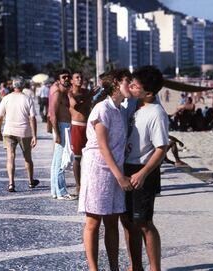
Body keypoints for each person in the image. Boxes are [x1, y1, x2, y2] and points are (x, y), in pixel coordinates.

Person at [78, 70, 133, 270]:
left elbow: (115, 142)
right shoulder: (102, 109)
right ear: (117, 83)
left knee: (112, 221)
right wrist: (121, 177)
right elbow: (102, 146)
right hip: (98, 170)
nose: (131, 84)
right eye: (128, 81)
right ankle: (94, 269)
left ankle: (114, 267)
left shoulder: (119, 109)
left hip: (114, 169)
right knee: (93, 221)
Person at [121, 66, 169, 271]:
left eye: (135, 85)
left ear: (148, 92)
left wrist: (143, 173)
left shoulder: (156, 113)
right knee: (128, 221)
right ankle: (135, 266)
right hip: (126, 167)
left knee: (144, 222)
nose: (130, 86)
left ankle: (154, 267)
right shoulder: (132, 104)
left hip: (144, 170)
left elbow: (161, 148)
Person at [0, 77, 39, 192]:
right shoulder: (27, 99)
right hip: (24, 132)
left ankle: (11, 183)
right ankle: (30, 181)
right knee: (27, 158)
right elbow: (32, 118)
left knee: (10, 157)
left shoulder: (6, 98)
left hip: (9, 131)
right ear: (23, 86)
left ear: (13, 86)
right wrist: (34, 135)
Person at [68, 72, 96, 196]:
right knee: (77, 157)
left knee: (90, 155)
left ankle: (88, 182)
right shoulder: (70, 93)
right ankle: (78, 185)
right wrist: (90, 95)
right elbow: (77, 107)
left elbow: (92, 104)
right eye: (77, 78)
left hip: (88, 126)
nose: (80, 79)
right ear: (72, 81)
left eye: (81, 77)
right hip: (77, 126)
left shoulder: (86, 92)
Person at [49, 69, 75, 200]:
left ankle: (55, 191)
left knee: (56, 162)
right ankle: (62, 192)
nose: (66, 79)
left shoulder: (63, 92)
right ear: (58, 80)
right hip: (61, 127)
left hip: (63, 126)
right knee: (61, 162)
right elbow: (52, 115)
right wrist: (58, 134)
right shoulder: (57, 93)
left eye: (68, 77)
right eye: (63, 77)